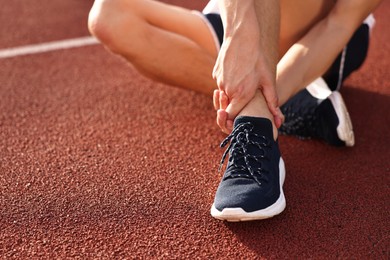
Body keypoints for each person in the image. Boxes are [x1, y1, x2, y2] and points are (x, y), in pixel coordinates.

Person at [88, 0, 382, 221]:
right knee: (109, 17)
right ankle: (289, 104)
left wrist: (263, 95)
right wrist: (238, 38)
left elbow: (339, 24)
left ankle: (256, 117)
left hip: (323, 38)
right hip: (236, 15)